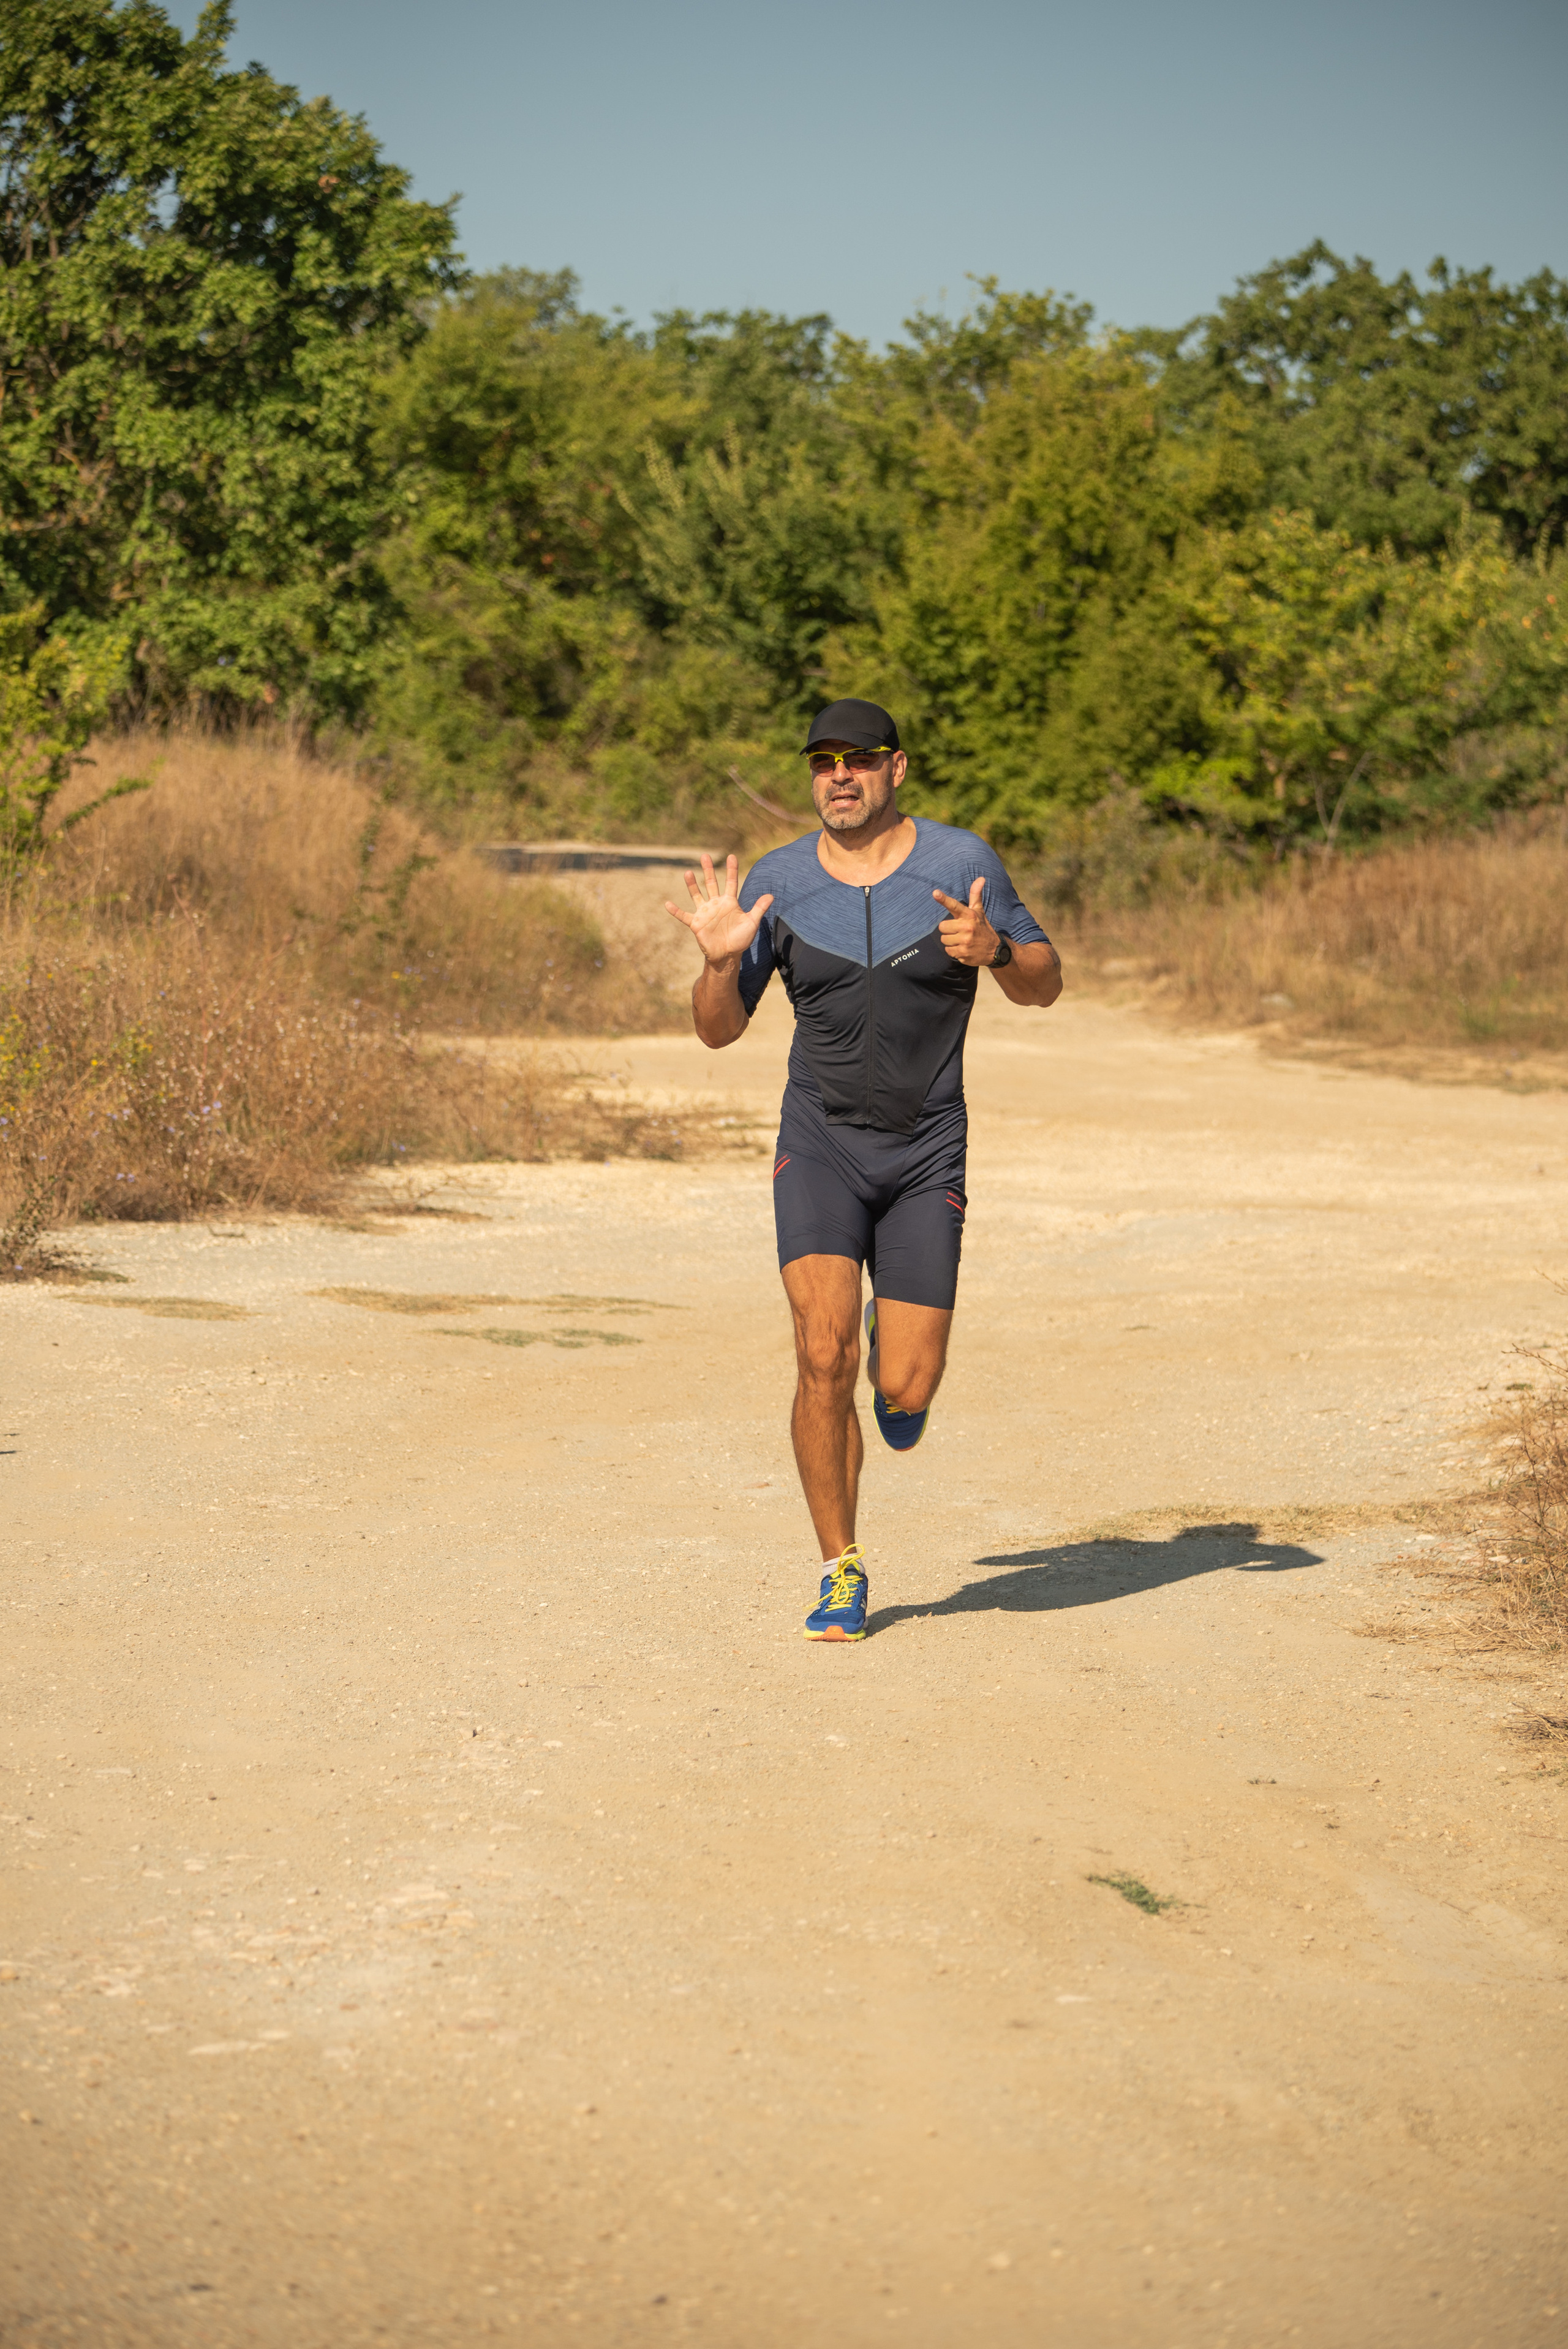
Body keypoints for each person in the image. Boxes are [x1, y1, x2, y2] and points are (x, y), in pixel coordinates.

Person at [665, 698, 1062, 1641]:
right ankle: (840, 1567)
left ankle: (896, 1353)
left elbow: (1046, 981)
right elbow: (717, 1031)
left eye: (859, 758)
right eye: (822, 761)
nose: (839, 774)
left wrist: (997, 950)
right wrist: (722, 964)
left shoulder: (962, 863)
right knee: (819, 1353)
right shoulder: (779, 881)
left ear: (897, 769)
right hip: (823, 1142)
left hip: (927, 1150)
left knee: (906, 1387)